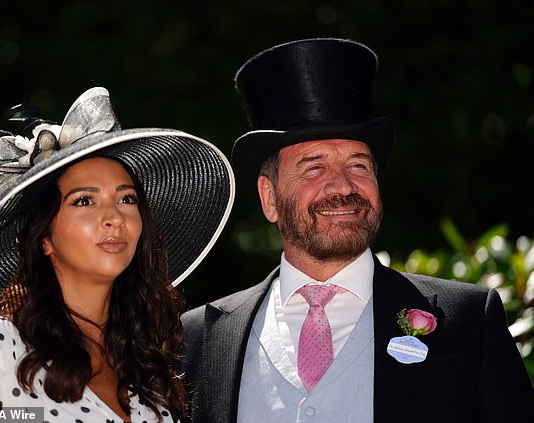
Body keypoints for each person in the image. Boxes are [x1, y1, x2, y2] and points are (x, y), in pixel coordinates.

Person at [180, 38, 534, 423]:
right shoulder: (198, 339)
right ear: (269, 198)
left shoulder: (468, 323)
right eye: (314, 167)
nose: (343, 186)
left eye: (359, 165)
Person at [0, 87, 235, 423]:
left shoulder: (149, 378)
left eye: (127, 199)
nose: (115, 217)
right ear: (44, 237)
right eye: (85, 201)